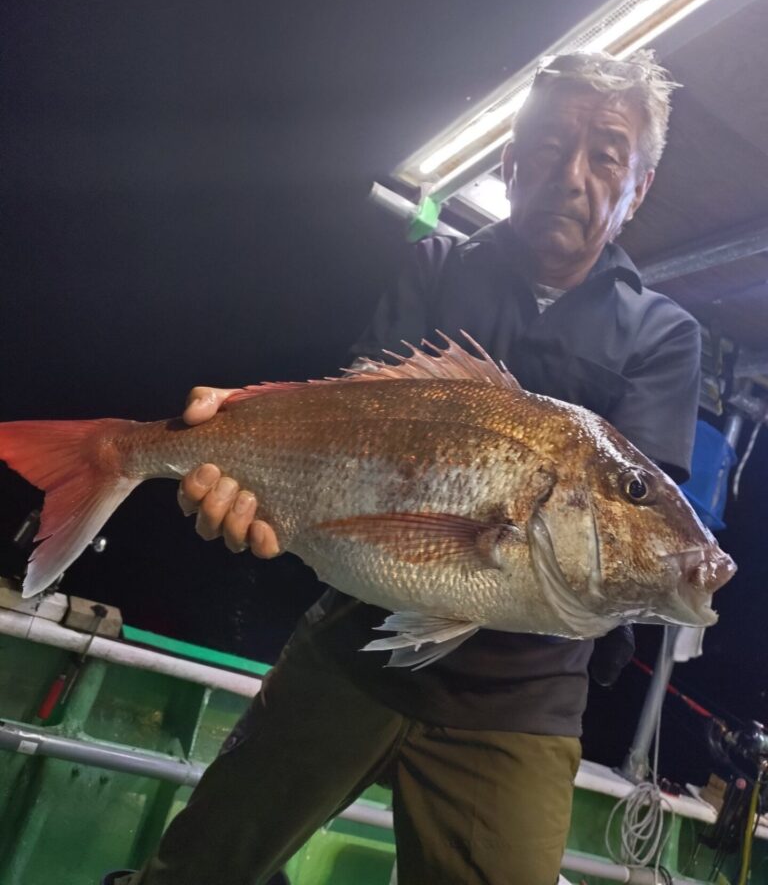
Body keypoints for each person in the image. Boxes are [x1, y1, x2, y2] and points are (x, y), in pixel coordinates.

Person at [111, 49, 701, 885]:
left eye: (607, 156)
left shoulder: (664, 336)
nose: (572, 176)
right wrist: (252, 449)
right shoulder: (436, 267)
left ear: (638, 188)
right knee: (194, 873)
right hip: (351, 645)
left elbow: (629, 530)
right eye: (548, 146)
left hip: (520, 704)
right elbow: (343, 417)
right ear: (509, 163)